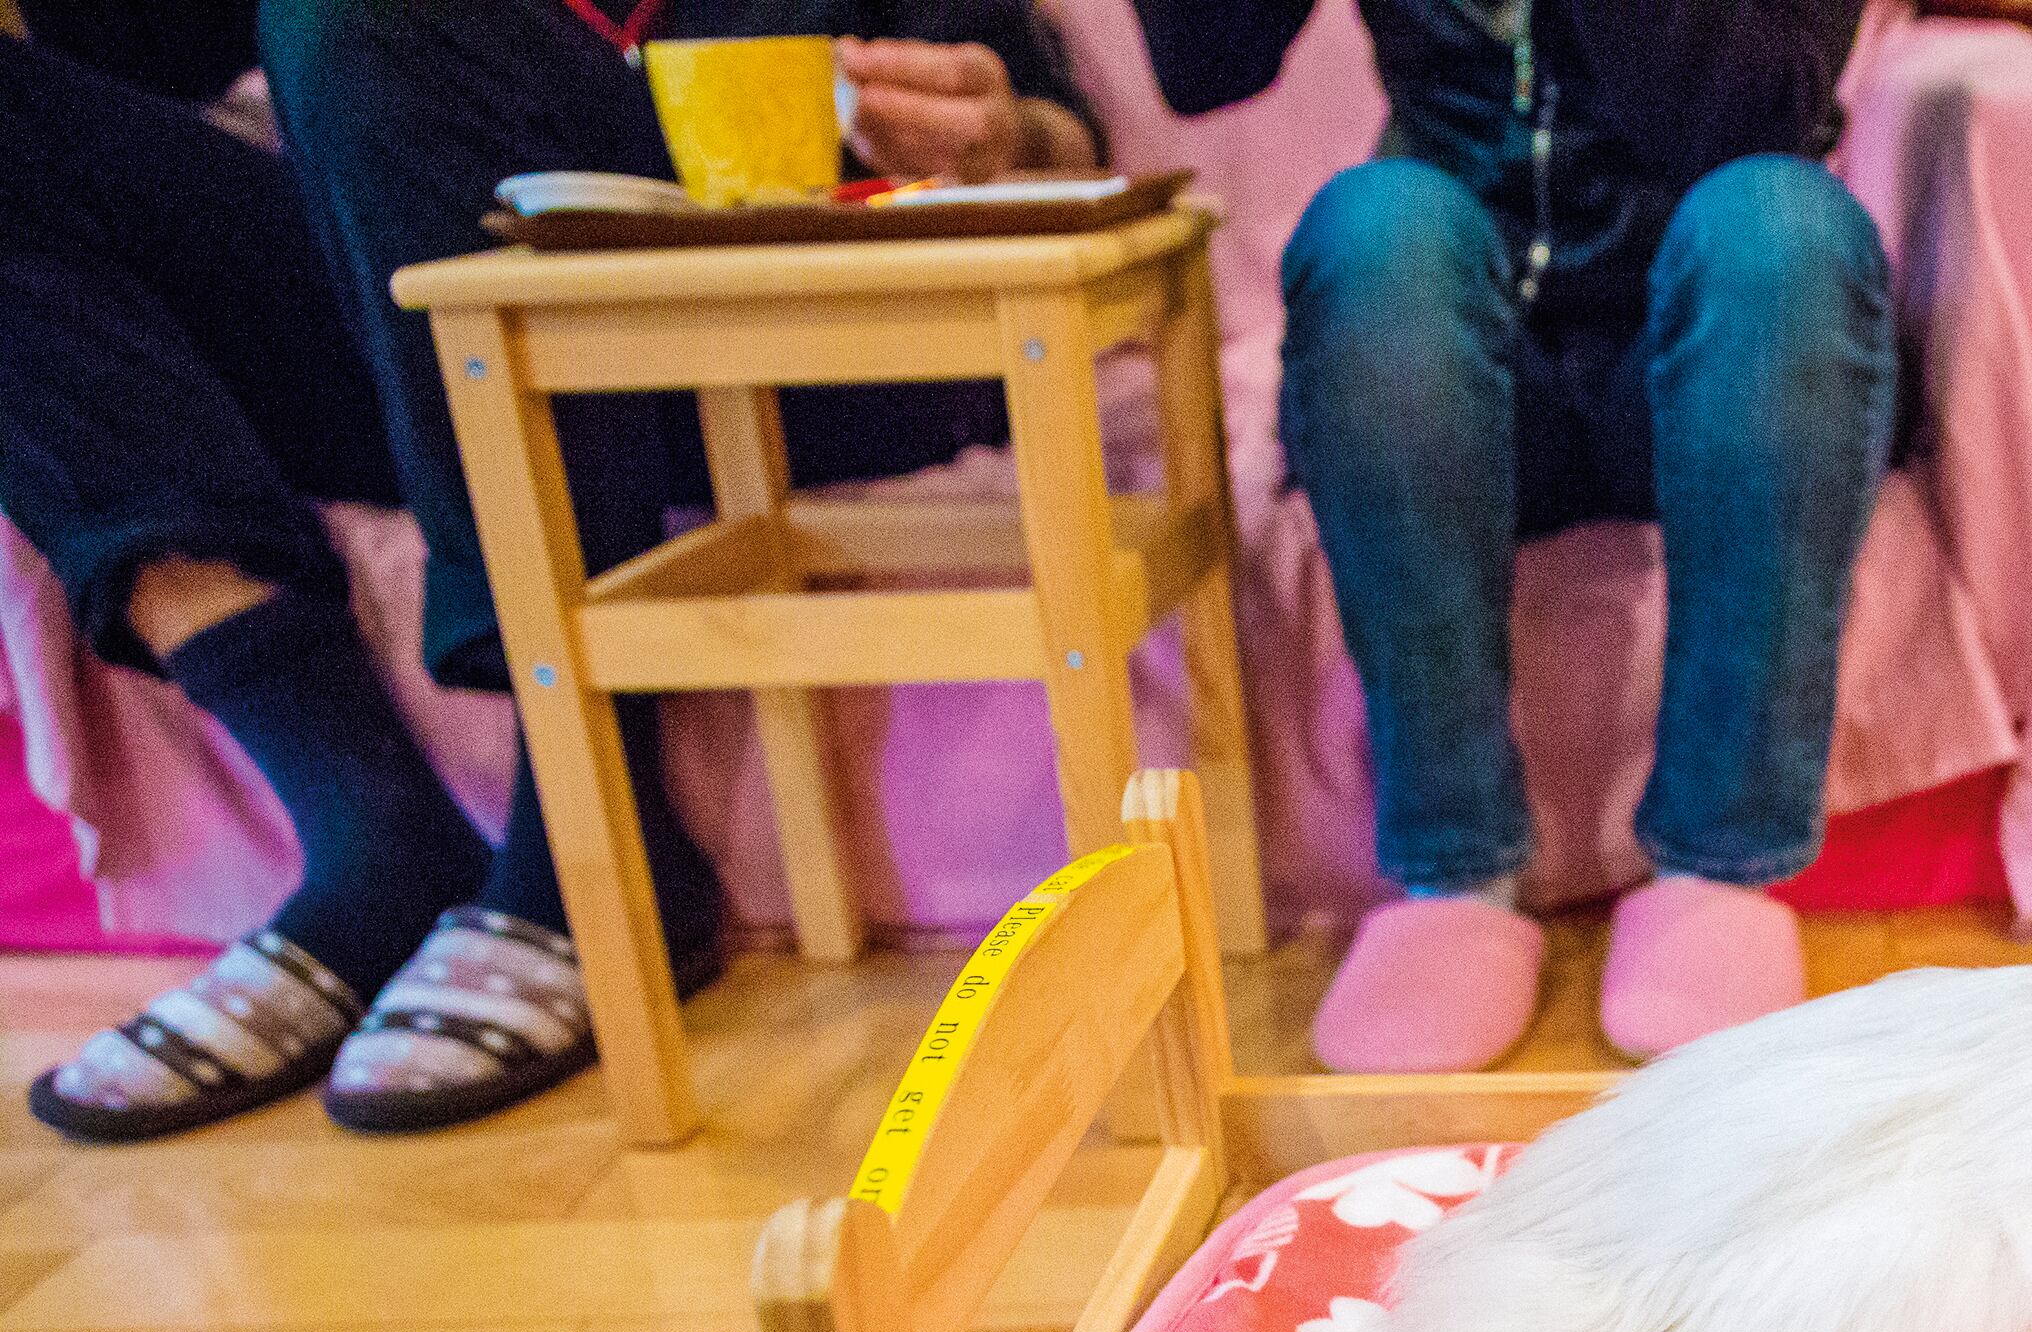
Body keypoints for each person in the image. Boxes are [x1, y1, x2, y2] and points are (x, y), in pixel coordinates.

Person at [7, 0, 1097, 1141]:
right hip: (412, 318)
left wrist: (1009, 136)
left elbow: (1061, 130)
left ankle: (594, 823)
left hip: (803, 335)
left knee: (379, 20)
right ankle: (361, 819)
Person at [1130, 0, 1894, 1070]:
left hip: (1708, 356)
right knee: (1375, 223)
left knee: (1782, 225)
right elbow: (1207, 61)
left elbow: (1746, 117)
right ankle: (1453, 871)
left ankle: (1722, 867)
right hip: (1450, 359)